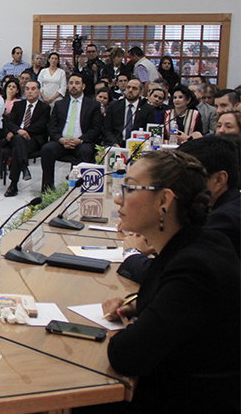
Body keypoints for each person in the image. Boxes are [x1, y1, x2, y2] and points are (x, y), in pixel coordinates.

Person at [100, 151, 239, 413]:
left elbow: (126, 355)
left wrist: (135, 325)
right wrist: (138, 306)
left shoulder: (194, 267)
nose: (118, 199)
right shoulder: (199, 242)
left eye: (130, 188)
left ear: (164, 200)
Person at [119, 135, 240, 285]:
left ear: (219, 180)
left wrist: (132, 254)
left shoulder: (225, 221)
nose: (178, 186)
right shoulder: (225, 207)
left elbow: (170, 274)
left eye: (191, 176)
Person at [40, 74, 103, 191]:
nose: (73, 86)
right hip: (62, 142)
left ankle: (79, 188)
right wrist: (60, 139)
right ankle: (47, 188)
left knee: (86, 151)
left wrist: (80, 140)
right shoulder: (60, 104)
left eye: (77, 83)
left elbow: (96, 129)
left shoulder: (93, 105)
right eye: (71, 83)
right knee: (47, 149)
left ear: (83, 86)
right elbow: (52, 126)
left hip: (82, 142)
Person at [3, 81, 50, 197]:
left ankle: (13, 184)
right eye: (27, 89)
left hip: (33, 140)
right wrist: (19, 131)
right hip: (17, 137)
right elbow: (10, 122)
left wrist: (24, 131)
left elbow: (41, 126)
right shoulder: (18, 105)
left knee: (17, 149)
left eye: (33, 89)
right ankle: (24, 167)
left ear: (39, 91)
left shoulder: (45, 108)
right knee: (19, 139)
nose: (30, 91)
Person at [103, 78, 156, 147]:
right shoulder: (114, 106)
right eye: (128, 87)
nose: (130, 90)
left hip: (138, 145)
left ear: (140, 93)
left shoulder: (148, 109)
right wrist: (114, 143)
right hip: (116, 144)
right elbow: (107, 130)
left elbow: (149, 132)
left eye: (134, 88)